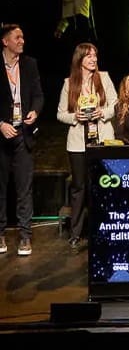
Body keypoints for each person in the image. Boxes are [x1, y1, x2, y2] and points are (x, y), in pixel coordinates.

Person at [56, 42, 116, 250]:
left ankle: (103, 228)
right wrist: (75, 117)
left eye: (95, 55)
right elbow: (60, 114)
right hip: (78, 143)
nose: (93, 59)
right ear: (80, 59)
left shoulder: (104, 78)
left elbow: (115, 104)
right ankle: (76, 232)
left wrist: (102, 112)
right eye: (89, 56)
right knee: (79, 187)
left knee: (103, 184)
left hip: (102, 139)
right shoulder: (69, 83)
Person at [0, 24, 42, 257]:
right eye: (17, 37)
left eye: (23, 37)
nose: (22, 41)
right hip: (2, 135)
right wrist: (0, 124)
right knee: (0, 187)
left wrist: (35, 111)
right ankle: (0, 233)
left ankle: (25, 235)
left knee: (24, 188)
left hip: (22, 134)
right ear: (5, 41)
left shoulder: (29, 64)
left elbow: (38, 95)